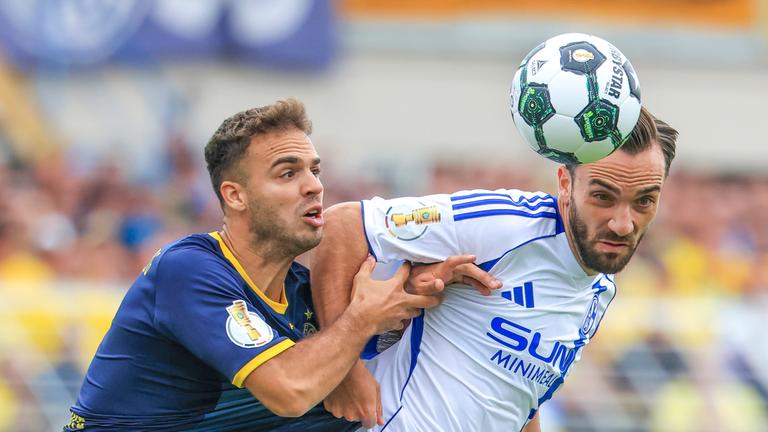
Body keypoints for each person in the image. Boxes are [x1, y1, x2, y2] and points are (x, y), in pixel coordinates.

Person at [64, 99, 446, 431]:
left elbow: (379, 338)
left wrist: (433, 282)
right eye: (288, 173)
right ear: (236, 196)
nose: (314, 186)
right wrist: (360, 319)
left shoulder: (302, 289)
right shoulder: (188, 270)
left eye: (315, 170)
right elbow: (290, 389)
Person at [310, 107, 678, 431]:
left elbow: (519, 403)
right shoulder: (505, 225)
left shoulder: (600, 290)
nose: (623, 224)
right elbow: (342, 226)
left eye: (644, 201)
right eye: (603, 197)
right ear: (565, 184)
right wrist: (343, 372)